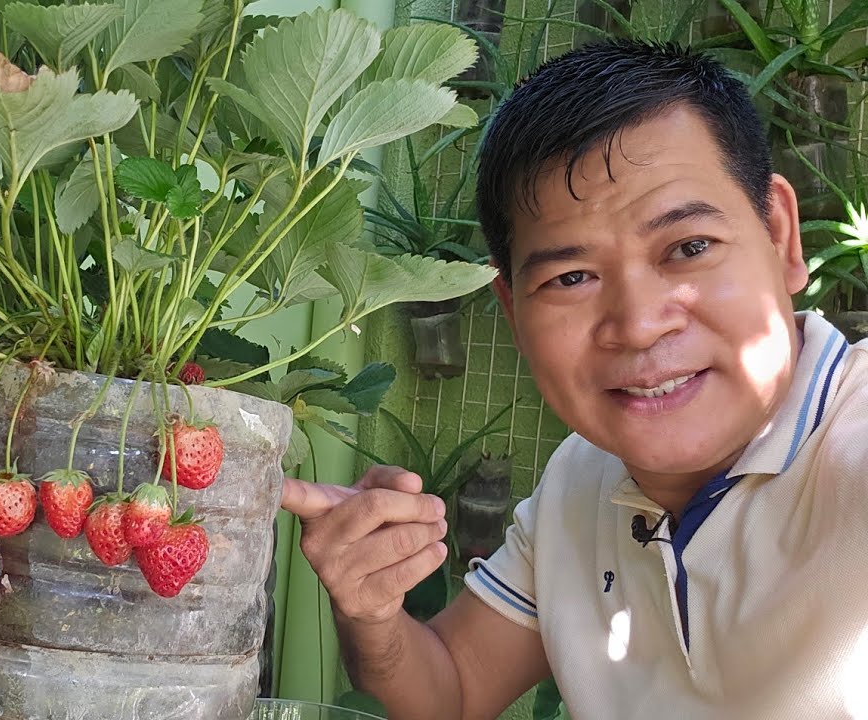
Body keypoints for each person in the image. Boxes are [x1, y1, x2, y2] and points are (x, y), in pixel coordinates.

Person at [282, 40, 868, 720]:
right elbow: (452, 690)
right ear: (513, 311)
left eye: (689, 247)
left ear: (781, 235)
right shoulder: (582, 479)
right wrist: (373, 611)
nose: (639, 324)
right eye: (571, 278)